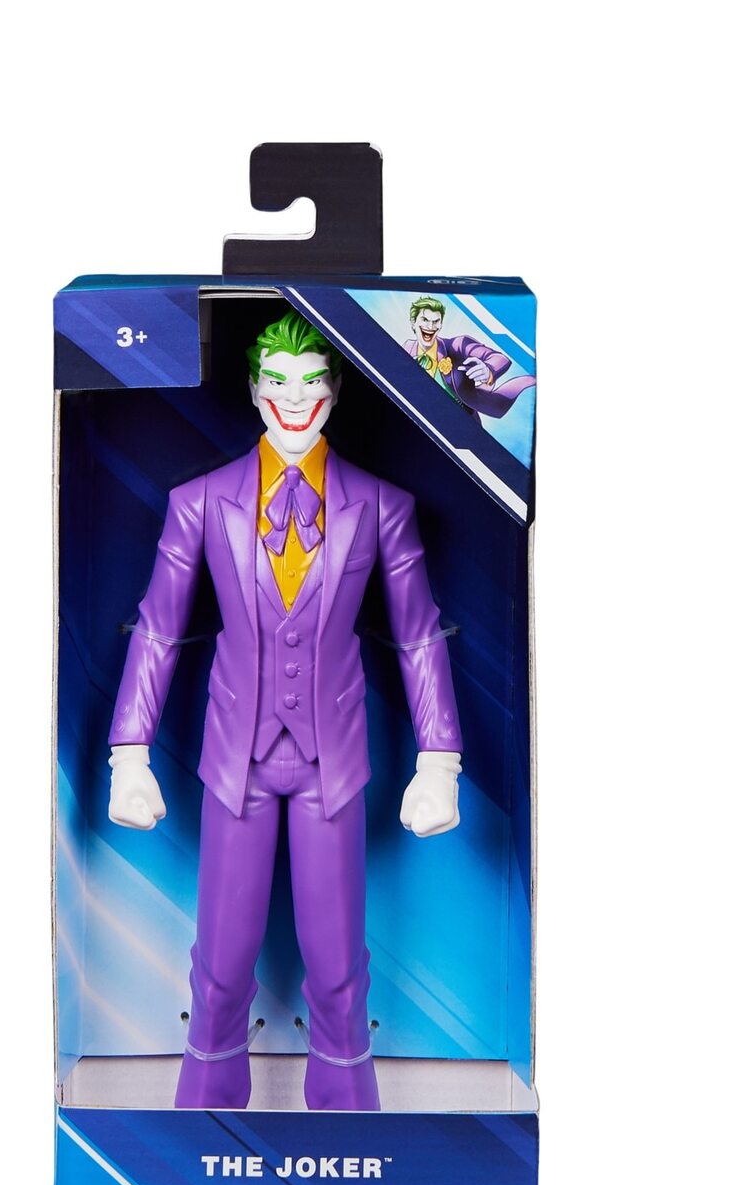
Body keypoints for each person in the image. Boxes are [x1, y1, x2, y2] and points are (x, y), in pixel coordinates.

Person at [108, 312, 463, 1112]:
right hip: (234, 758)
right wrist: (128, 753)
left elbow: (419, 636)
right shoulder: (200, 503)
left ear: (334, 392)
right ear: (253, 389)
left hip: (331, 762)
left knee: (337, 966)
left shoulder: (381, 506)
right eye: (277, 382)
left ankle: (349, 1125)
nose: (294, 400)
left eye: (311, 383)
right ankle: (205, 1121)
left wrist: (439, 760)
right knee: (220, 964)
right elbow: (158, 627)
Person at [404, 295, 534, 419]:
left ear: (441, 325)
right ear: (413, 323)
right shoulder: (407, 348)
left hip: (460, 419)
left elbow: (499, 358)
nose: (430, 326)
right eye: (425, 320)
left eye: (436, 321)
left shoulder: (458, 344)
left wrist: (488, 370)